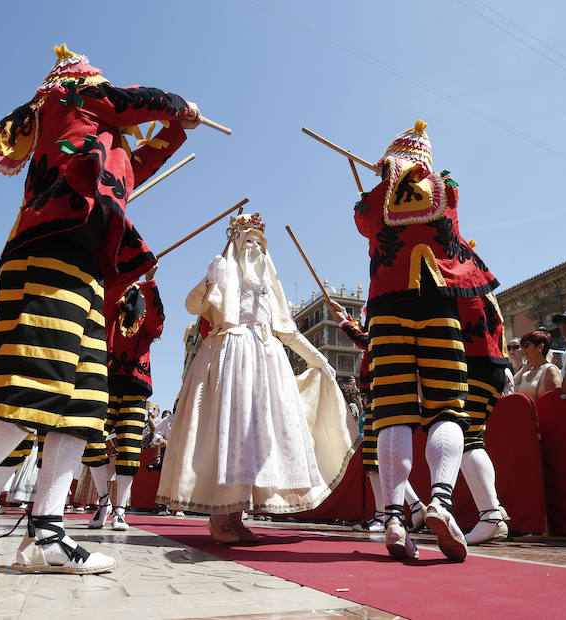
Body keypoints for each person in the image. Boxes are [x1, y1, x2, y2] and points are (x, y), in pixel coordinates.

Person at [0, 44, 203, 583]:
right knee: (32, 391)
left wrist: (177, 133)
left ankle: (46, 532)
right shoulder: (68, 100)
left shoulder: (99, 141)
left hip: (90, 271)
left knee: (84, 406)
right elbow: (130, 99)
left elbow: (136, 167)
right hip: (47, 255)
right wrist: (177, 105)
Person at [352, 119, 509, 560]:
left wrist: (379, 184)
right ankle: (441, 499)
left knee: (393, 414)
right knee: (447, 408)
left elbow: (365, 223)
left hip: (386, 309)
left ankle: (394, 517)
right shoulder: (447, 190)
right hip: (438, 305)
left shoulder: (372, 201)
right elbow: (444, 192)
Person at [156, 213, 356, 543]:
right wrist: (210, 278)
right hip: (230, 356)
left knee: (254, 441)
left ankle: (236, 514)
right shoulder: (222, 272)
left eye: (259, 242)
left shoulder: (268, 288)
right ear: (235, 242)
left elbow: (288, 331)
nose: (254, 247)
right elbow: (193, 305)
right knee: (230, 432)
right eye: (247, 240)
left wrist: (320, 361)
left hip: (265, 362)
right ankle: (220, 517)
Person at [326, 298, 426, 534]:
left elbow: (367, 340)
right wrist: (345, 318)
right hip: (378, 398)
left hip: (382, 396)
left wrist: (343, 323)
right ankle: (412, 506)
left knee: (376, 460)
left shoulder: (386, 330)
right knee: (376, 460)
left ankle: (386, 515)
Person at [84, 265, 165, 531]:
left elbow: (157, 325)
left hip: (134, 387)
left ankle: (120, 509)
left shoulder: (144, 310)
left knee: (129, 450)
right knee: (94, 444)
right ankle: (104, 501)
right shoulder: (112, 301)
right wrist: (126, 277)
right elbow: (104, 311)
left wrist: (150, 283)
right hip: (104, 382)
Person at [513, 331, 562, 401]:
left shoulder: (550, 369)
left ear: (540, 347)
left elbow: (556, 401)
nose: (523, 349)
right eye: (522, 346)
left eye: (526, 345)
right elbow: (513, 386)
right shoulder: (525, 375)